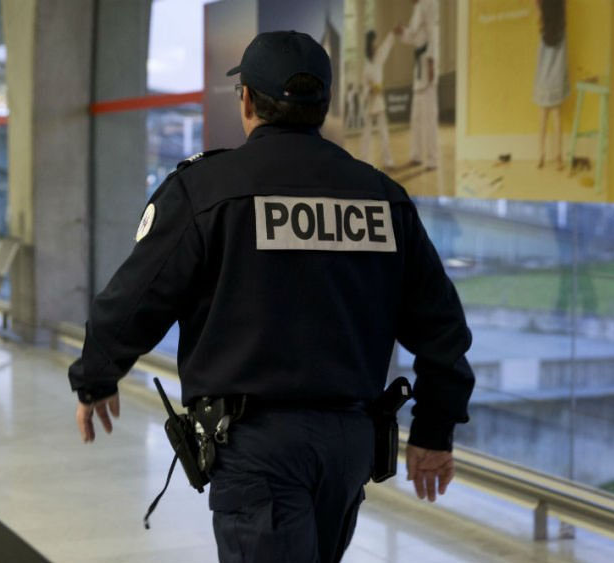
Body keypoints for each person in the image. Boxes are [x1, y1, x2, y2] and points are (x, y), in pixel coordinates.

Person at [68, 31, 475, 562]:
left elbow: (134, 299)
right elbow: (442, 330)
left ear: (247, 101)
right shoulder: (382, 199)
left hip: (255, 447)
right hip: (349, 444)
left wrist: (97, 376)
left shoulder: (206, 190)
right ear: (323, 106)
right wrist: (435, 429)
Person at [396, 0, 441, 171]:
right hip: (419, 67)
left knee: (429, 117)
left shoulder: (430, 3)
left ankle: (432, 159)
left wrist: (431, 61)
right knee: (416, 117)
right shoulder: (417, 8)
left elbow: (432, 32)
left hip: (427, 63)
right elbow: (414, 38)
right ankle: (416, 155)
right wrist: (403, 32)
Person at [534, 0, 569, 170]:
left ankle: (540, 156)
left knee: (543, 119)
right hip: (556, 79)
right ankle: (559, 158)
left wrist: (539, 6)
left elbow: (538, 5)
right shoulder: (562, 31)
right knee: (557, 119)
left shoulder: (543, 30)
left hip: (543, 79)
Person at [361, 30, 396, 170]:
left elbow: (386, 47)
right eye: (373, 44)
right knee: (366, 135)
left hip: (379, 101)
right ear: (369, 47)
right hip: (370, 103)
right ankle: (363, 161)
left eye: (376, 43)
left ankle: (388, 161)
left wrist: (392, 34)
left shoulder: (379, 59)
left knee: (384, 132)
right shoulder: (366, 67)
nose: (376, 46)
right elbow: (363, 88)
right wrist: (370, 89)